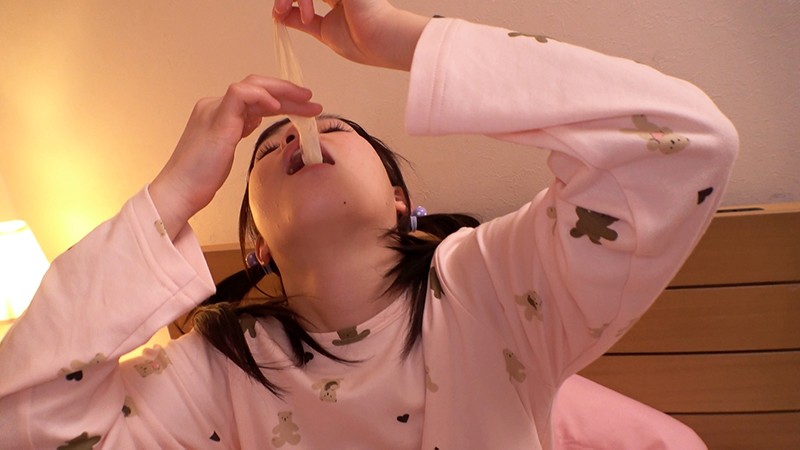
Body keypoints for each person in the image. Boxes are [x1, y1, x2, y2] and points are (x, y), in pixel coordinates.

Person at [0, 0, 737, 448]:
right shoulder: (215, 370)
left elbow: (686, 142)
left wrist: (405, 41)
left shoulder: (495, 288)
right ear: (256, 242)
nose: (297, 136)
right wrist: (167, 197)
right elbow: (23, 426)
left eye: (336, 130)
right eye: (266, 149)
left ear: (399, 201)